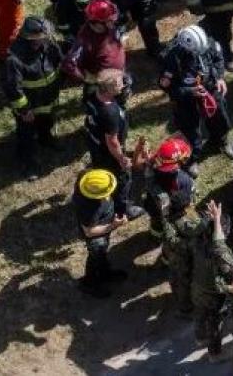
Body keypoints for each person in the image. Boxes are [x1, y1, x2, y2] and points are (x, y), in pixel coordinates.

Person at [159, 24, 233, 172]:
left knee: (219, 115)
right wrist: (189, 92)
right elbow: (167, 87)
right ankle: (192, 157)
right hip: (186, 95)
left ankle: (221, 140)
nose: (200, 54)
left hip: (210, 86)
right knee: (189, 127)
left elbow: (218, 59)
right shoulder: (171, 57)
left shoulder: (207, 42)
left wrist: (219, 77)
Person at [3, 17, 65, 179]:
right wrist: (24, 110)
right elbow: (13, 88)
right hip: (30, 107)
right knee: (27, 136)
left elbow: (60, 62)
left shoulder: (49, 45)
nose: (47, 38)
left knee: (47, 123)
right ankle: (28, 163)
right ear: (31, 37)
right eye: (43, 36)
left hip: (48, 99)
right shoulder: (14, 59)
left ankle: (46, 138)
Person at [83, 68, 145, 219]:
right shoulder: (109, 112)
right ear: (109, 89)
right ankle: (123, 210)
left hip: (96, 146)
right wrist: (121, 159)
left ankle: (105, 194)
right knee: (123, 178)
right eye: (119, 83)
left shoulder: (92, 96)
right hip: (109, 152)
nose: (123, 85)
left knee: (102, 170)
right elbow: (112, 141)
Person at [191, 199, 233, 362]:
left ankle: (199, 337)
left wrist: (213, 219)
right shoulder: (219, 253)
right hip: (213, 295)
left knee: (200, 314)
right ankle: (215, 353)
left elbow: (202, 228)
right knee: (215, 323)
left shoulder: (197, 240)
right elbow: (219, 246)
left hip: (197, 287)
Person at [72, 169, 130, 298]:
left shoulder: (88, 178)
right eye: (105, 192)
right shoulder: (89, 208)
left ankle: (105, 273)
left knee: (102, 254)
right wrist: (113, 225)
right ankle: (89, 284)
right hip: (96, 236)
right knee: (96, 255)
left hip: (104, 225)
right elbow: (89, 232)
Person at [62, 0, 129, 103]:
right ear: (96, 23)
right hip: (104, 86)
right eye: (109, 21)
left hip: (118, 77)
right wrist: (88, 78)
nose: (112, 23)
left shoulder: (108, 27)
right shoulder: (85, 40)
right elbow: (69, 65)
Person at [159, 183, 203, 314]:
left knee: (185, 280)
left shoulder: (180, 215)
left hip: (183, 257)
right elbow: (175, 242)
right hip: (180, 258)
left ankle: (187, 302)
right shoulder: (173, 223)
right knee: (182, 282)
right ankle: (185, 308)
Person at [143, 136, 196, 240]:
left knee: (156, 223)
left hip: (153, 206)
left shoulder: (152, 173)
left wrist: (149, 162)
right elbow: (188, 201)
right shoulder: (184, 181)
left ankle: (156, 236)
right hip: (172, 211)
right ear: (175, 165)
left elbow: (149, 174)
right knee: (181, 221)